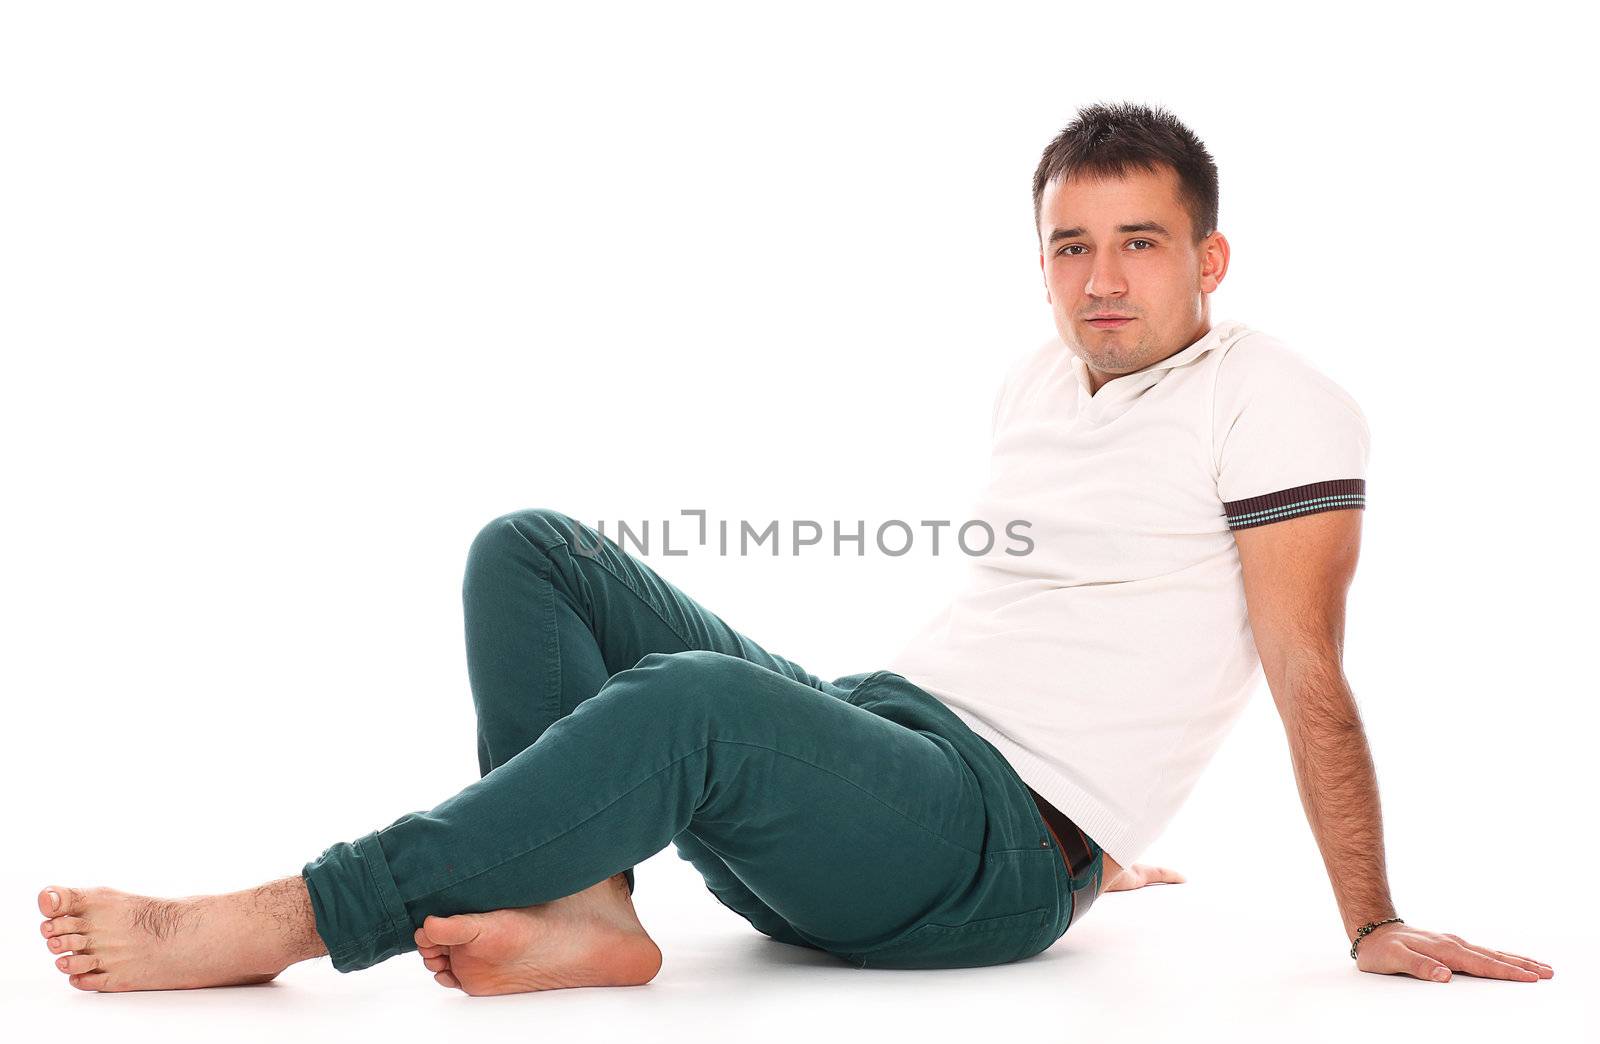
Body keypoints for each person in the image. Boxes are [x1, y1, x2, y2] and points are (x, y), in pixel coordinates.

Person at [35, 101, 1553, 994]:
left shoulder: (1279, 402)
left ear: (1208, 256)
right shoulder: (1037, 377)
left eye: (1139, 242)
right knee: (536, 549)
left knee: (694, 697)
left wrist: (1365, 915)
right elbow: (1074, 620)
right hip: (904, 741)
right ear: (1041, 260)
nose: (1101, 278)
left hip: (988, 847)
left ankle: (295, 914)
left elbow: (1306, 667)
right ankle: (589, 910)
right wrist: (1113, 827)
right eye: (1071, 245)